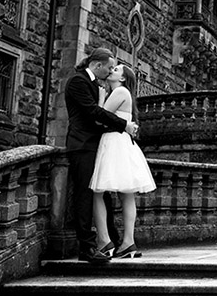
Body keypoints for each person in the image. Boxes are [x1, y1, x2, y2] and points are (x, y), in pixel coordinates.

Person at [64, 48, 138, 263]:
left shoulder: (100, 86)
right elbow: (93, 112)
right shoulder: (78, 81)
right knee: (86, 195)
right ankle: (87, 248)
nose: (109, 71)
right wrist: (124, 124)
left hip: (95, 144)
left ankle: (109, 241)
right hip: (83, 145)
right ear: (97, 65)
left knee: (102, 195)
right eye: (108, 67)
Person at [89, 64, 156, 258]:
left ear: (123, 78)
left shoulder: (119, 92)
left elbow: (99, 118)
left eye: (116, 69)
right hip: (122, 143)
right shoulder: (123, 92)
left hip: (114, 142)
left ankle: (106, 241)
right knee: (126, 195)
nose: (112, 70)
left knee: (97, 192)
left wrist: (101, 99)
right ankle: (128, 242)